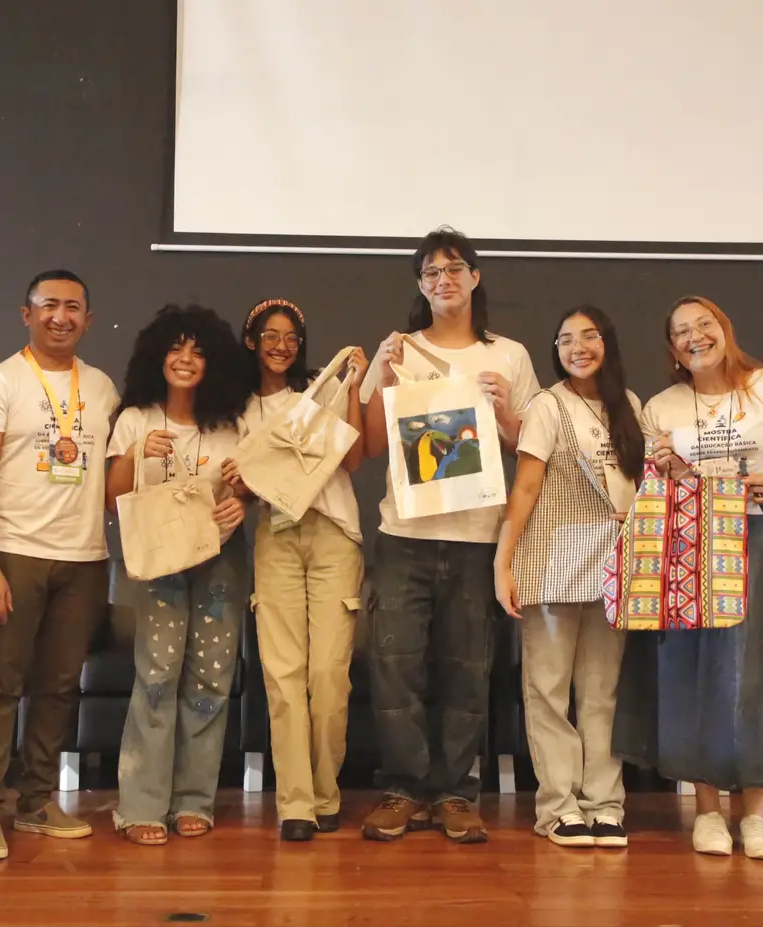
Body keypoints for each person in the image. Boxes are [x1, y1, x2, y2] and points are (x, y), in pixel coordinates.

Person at [611, 295, 763, 861]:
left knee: (759, 673)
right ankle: (707, 810)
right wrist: (667, 469)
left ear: (724, 329)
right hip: (687, 544)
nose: (696, 337)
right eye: (682, 331)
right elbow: (656, 484)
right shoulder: (662, 406)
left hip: (757, 541)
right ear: (672, 348)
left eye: (704, 325)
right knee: (691, 673)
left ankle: (756, 816)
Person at [358, 227, 541, 844]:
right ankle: (405, 789)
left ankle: (458, 795)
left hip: (478, 538)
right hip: (403, 533)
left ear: (475, 278)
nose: (444, 280)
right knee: (395, 667)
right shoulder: (399, 351)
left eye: (455, 269)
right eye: (431, 272)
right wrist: (383, 378)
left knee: (468, 671)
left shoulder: (509, 355)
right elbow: (371, 448)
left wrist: (508, 410)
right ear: (420, 284)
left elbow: (530, 448)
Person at [0, 270, 120, 861]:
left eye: (73, 307)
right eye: (49, 305)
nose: (61, 316)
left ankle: (37, 801)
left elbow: (113, 478)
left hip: (84, 558)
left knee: (57, 688)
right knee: (0, 686)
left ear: (88, 319)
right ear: (26, 314)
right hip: (15, 554)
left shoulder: (101, 388)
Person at [493, 305, 643, 849]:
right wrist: (502, 562)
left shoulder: (629, 405)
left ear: (608, 343)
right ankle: (558, 807)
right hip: (554, 562)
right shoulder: (547, 405)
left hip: (615, 564)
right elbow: (526, 488)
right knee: (549, 690)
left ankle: (605, 803)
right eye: (564, 340)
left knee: (602, 693)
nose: (577, 347)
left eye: (589, 336)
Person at [105, 304, 252, 846]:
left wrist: (242, 499)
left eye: (198, 351)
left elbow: (247, 490)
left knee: (212, 677)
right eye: (176, 348)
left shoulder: (231, 424)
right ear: (157, 355)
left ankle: (195, 800)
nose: (186, 360)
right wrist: (137, 454)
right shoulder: (135, 418)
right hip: (157, 557)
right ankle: (139, 804)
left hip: (220, 558)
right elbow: (110, 496)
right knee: (158, 672)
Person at [222, 299, 368, 842]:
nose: (280, 345)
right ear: (252, 341)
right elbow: (235, 482)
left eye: (290, 337)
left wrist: (351, 385)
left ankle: (327, 793)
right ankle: (296, 805)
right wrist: (239, 480)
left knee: (328, 676)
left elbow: (352, 461)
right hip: (274, 537)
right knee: (282, 677)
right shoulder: (235, 408)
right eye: (270, 335)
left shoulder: (321, 391)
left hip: (333, 534)